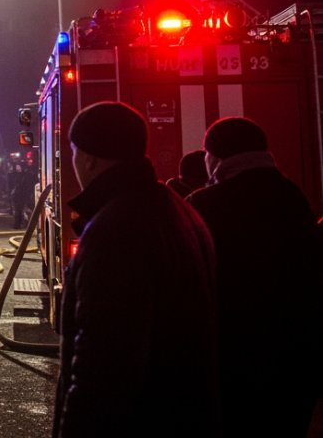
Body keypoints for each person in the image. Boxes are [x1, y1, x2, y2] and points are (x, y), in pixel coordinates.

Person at [54, 102, 220, 438]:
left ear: (89, 158)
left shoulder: (115, 229)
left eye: (73, 151)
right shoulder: (176, 208)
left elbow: (103, 368)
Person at [187, 117, 323, 437]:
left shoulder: (204, 204)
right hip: (295, 360)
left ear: (214, 157)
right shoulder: (292, 197)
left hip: (231, 360)